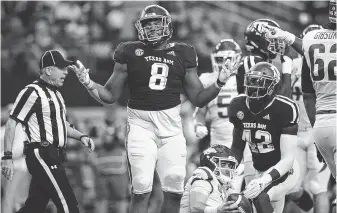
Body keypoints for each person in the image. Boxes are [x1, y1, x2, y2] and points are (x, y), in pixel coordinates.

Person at [69, 5, 238, 213]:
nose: (152, 28)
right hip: (141, 125)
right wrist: (89, 83)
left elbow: (199, 99)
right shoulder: (129, 51)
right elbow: (110, 96)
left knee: (175, 185)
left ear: (167, 25)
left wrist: (220, 82)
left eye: (157, 23)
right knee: (141, 186)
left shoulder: (183, 52)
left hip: (172, 126)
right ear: (140, 28)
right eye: (148, 24)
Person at [1, 50, 95, 213]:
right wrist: (7, 157)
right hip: (42, 153)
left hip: (54, 154)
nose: (66, 73)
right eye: (62, 68)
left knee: (34, 207)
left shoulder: (57, 94)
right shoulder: (32, 91)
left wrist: (81, 136)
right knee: (69, 205)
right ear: (49, 70)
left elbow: (61, 125)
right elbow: (11, 124)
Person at [264, 1, 336, 210]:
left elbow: (307, 95)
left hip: (319, 126)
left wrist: (285, 35)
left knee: (308, 186)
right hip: (323, 124)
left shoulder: (311, 42)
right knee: (316, 188)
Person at [229, 62, 300, 213]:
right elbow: (237, 147)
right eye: (252, 81)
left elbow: (287, 159)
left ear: (272, 87)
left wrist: (264, 180)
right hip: (257, 168)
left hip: (283, 171)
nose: (254, 87)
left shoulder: (284, 108)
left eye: (260, 83)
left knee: (261, 198)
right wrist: (228, 171)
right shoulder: (238, 105)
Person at [284, 24, 331, 213]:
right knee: (291, 187)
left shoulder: (328, 68)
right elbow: (283, 96)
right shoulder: (292, 66)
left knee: (318, 186)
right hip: (295, 133)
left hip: (317, 130)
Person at [193, 39, 246, 193]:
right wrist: (198, 125)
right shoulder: (207, 79)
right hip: (218, 148)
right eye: (220, 60)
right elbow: (199, 111)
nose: (225, 64)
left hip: (246, 145)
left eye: (228, 60)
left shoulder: (245, 77)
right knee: (221, 193)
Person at [179, 144, 243, 213]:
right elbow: (195, 206)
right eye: (223, 164)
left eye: (230, 165)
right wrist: (216, 210)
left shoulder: (220, 184)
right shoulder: (204, 175)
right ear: (210, 163)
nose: (228, 169)